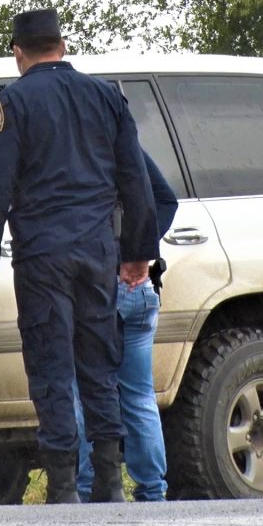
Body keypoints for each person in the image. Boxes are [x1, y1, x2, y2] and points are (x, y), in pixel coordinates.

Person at [0, 8, 158, 504]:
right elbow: (136, 181)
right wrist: (137, 254)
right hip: (98, 253)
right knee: (100, 366)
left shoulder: (14, 102)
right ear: (63, 46)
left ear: (18, 54)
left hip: (44, 256)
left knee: (51, 366)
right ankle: (111, 485)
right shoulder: (107, 97)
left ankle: (64, 487)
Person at [73, 151, 178, 502]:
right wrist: (137, 254)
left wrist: (119, 257)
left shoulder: (72, 147)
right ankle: (152, 491)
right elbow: (166, 200)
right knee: (138, 396)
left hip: (96, 288)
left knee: (82, 391)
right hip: (139, 290)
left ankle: (86, 490)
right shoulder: (125, 145)